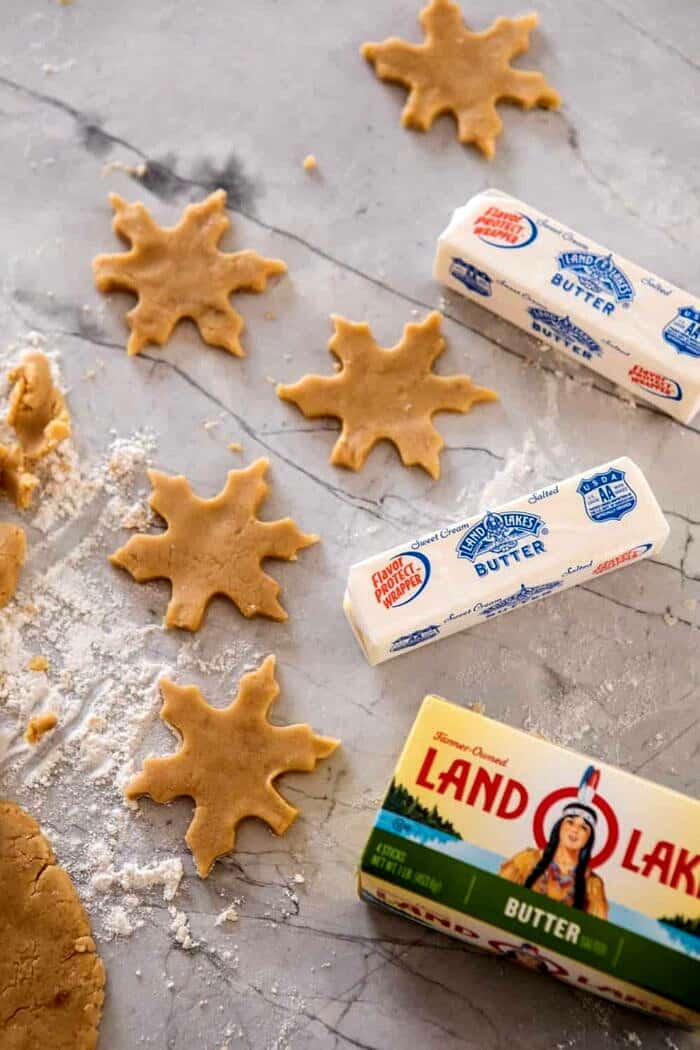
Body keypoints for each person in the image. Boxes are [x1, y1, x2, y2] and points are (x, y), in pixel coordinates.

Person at [499, 766, 608, 919]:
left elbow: (597, 929)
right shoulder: (526, 860)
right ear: (559, 827)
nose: (574, 830)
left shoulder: (592, 884)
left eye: (583, 827)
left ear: (588, 839)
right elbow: (496, 896)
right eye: (570, 822)